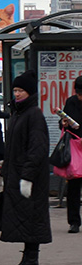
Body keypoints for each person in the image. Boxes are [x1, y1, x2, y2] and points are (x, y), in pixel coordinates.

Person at [0, 71, 51, 265]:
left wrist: (27, 177)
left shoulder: (34, 115)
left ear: (30, 92)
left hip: (30, 179)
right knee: (25, 220)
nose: (17, 94)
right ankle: (27, 261)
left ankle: (32, 263)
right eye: (15, 90)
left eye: (20, 90)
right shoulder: (20, 113)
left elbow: (37, 149)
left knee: (32, 219)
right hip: (18, 176)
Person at [59, 76, 82, 233]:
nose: (80, 97)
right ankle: (74, 221)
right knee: (73, 186)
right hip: (75, 147)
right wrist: (64, 122)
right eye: (79, 94)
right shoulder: (71, 101)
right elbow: (63, 123)